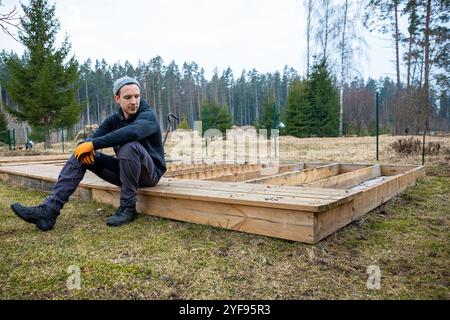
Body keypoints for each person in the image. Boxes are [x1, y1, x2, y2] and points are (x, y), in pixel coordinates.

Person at [10, 76, 166, 231]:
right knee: (82, 153)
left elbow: (132, 132)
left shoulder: (148, 116)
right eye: (128, 97)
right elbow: (93, 138)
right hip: (126, 172)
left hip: (149, 174)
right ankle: (49, 210)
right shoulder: (114, 120)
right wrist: (85, 145)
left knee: (129, 145)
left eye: (137, 96)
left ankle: (128, 208)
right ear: (117, 99)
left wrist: (93, 144)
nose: (134, 101)